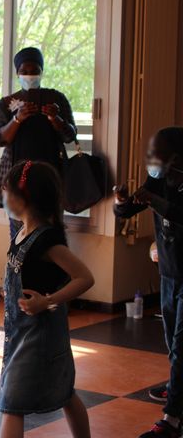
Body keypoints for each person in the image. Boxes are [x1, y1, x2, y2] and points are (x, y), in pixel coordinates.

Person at [0, 160, 94, 438]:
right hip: (19, 332)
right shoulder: (22, 233)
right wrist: (8, 289)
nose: (3, 197)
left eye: (6, 191)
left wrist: (48, 301)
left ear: (23, 198)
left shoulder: (47, 239)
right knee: (65, 392)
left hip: (39, 335)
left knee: (12, 404)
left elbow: (84, 278)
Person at [113, 127, 183, 438]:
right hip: (170, 273)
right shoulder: (158, 180)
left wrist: (154, 200)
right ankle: (178, 388)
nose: (151, 160)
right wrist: (121, 202)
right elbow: (129, 209)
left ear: (176, 157)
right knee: (173, 342)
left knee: (182, 344)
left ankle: (171, 420)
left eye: (157, 153)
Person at [0, 47, 77, 238]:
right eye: (25, 71)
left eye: (35, 71)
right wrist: (17, 119)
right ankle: (20, 268)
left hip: (50, 180)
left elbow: (70, 136)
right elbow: (0, 139)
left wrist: (56, 119)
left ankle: (47, 267)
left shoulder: (56, 98)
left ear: (42, 72)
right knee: (19, 236)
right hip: (17, 181)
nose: (30, 75)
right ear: (17, 73)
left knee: (50, 235)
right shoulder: (6, 103)